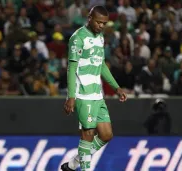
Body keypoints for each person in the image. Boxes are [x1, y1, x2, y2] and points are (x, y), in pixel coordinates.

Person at [61, 6, 127, 171]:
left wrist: (116, 87)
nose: (101, 26)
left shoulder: (100, 37)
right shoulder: (78, 38)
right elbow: (71, 68)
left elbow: (101, 64)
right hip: (83, 93)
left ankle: (73, 164)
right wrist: (71, 96)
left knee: (106, 135)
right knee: (88, 134)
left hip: (98, 94)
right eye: (98, 22)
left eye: (104, 23)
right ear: (89, 18)